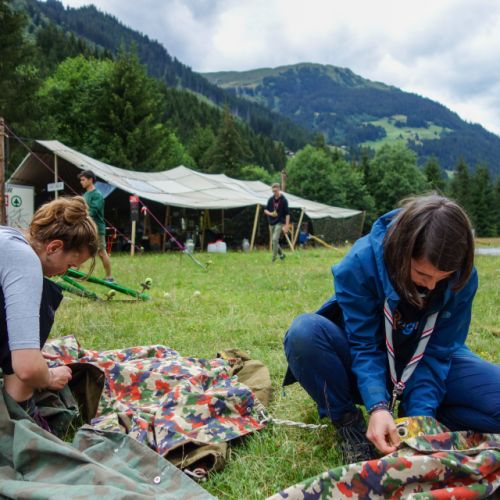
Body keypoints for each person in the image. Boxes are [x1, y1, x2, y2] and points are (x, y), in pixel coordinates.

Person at [283, 195, 500, 464]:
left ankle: (425, 420)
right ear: (402, 252)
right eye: (422, 274)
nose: (431, 286)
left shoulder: (461, 278)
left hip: (426, 362)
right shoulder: (361, 262)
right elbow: (364, 345)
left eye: (441, 278)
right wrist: (377, 405)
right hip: (367, 361)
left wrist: (420, 417)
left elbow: (438, 352)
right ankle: (349, 424)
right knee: (304, 334)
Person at [0, 197, 98, 426]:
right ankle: (21, 409)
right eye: (70, 265)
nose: (65, 272)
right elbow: (27, 368)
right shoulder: (25, 260)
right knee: (45, 296)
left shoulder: (6, 236)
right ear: (54, 247)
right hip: (24, 375)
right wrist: (49, 376)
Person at [78, 170, 113, 281]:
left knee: (101, 253)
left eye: (83, 180)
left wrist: (81, 215)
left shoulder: (97, 195)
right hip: (87, 227)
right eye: (81, 180)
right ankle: (74, 272)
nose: (81, 182)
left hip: (97, 228)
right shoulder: (85, 195)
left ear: (90, 180)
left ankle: (109, 277)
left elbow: (93, 211)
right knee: (80, 248)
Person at [263, 183, 290, 262]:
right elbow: (265, 210)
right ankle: (282, 255)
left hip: (280, 222)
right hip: (271, 223)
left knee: (274, 239)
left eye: (276, 191)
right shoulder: (270, 199)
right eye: (273, 191)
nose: (274, 192)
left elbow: (287, 214)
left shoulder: (284, 200)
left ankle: (274, 258)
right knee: (274, 241)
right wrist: (271, 214)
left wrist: (287, 226)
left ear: (279, 189)